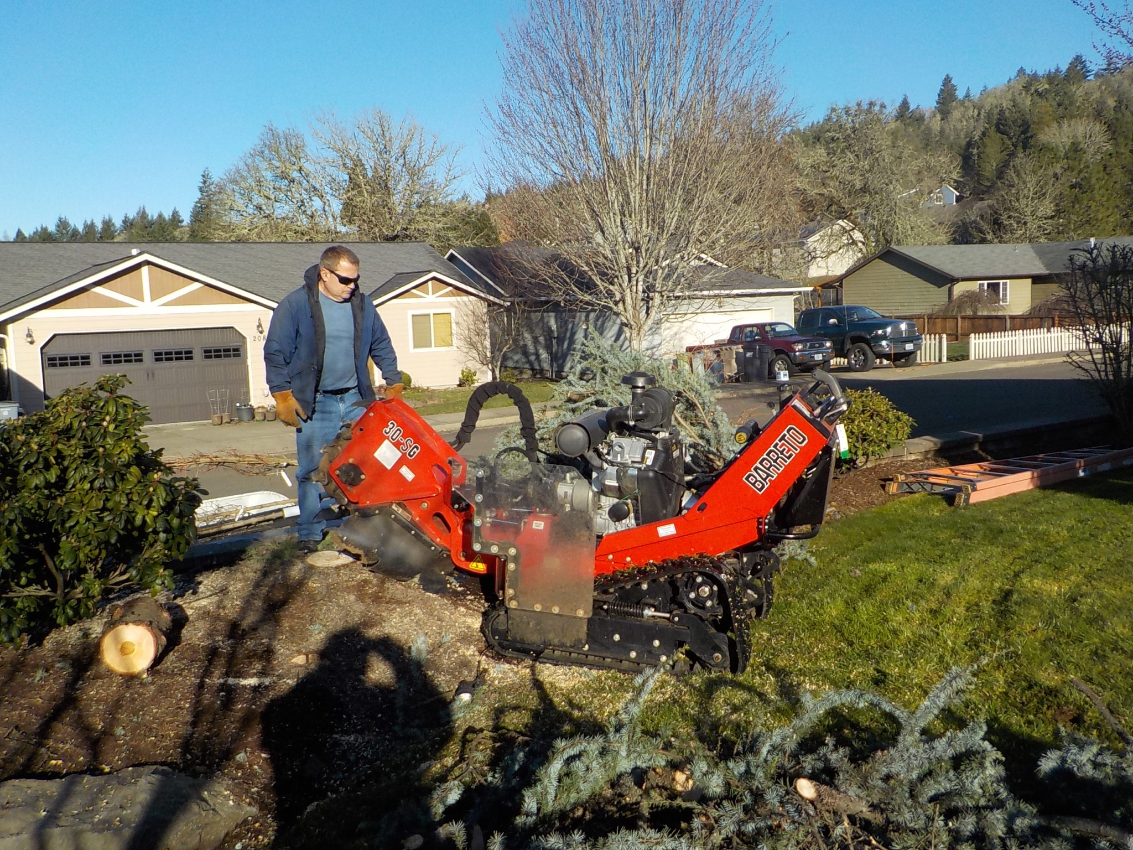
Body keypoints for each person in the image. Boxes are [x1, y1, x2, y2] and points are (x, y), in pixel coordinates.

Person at [264, 245, 403, 553]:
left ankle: (366, 527)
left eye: (356, 279)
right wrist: (283, 395)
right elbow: (275, 351)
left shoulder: (363, 305)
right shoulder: (296, 305)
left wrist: (393, 380)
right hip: (316, 402)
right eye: (345, 280)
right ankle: (311, 533)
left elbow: (381, 343)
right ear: (324, 274)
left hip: (356, 399)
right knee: (312, 470)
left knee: (366, 466)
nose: (352, 286)